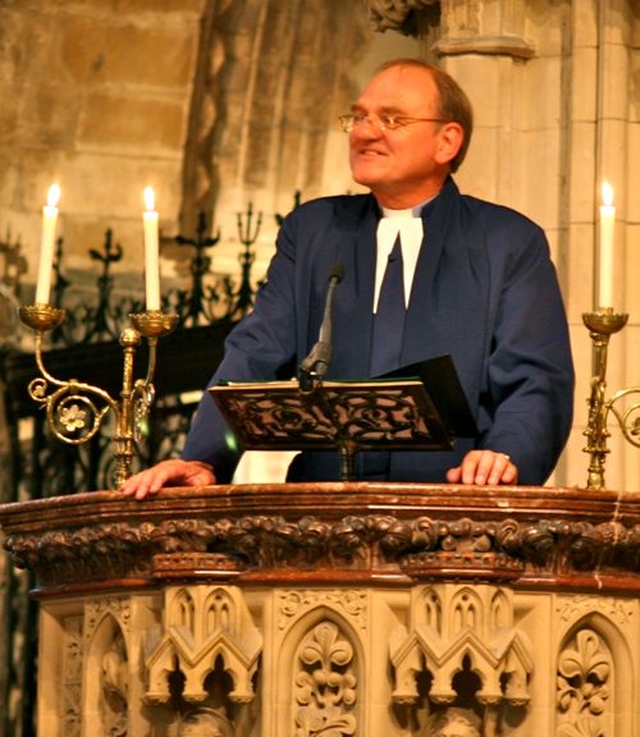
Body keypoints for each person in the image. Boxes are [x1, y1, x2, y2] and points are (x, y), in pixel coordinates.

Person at [122, 57, 574, 500]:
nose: (364, 131)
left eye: (391, 119)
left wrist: (505, 453)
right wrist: (204, 459)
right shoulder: (314, 231)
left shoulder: (507, 241)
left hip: (453, 499)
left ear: (446, 141)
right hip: (321, 501)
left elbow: (534, 377)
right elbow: (254, 354)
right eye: (358, 117)